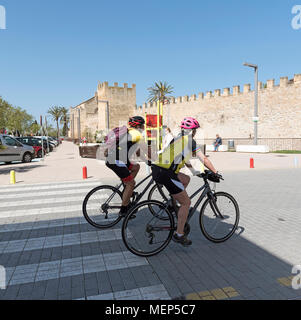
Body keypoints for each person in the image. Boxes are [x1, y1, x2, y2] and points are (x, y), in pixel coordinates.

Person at [151, 117, 219, 246]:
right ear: (192, 131)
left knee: (185, 179)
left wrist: (194, 172)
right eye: (195, 131)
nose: (195, 133)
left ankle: (173, 203)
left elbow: (184, 159)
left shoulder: (177, 139)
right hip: (166, 173)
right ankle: (179, 234)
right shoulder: (190, 141)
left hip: (158, 169)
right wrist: (215, 172)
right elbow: (203, 158)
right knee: (186, 203)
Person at [105, 116, 151, 217]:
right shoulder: (137, 134)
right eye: (142, 125)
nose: (143, 127)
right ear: (138, 126)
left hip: (119, 159)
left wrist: (148, 161)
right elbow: (146, 150)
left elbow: (139, 152)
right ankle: (124, 210)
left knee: (136, 167)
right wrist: (156, 161)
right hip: (116, 160)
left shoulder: (128, 132)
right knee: (131, 183)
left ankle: (126, 189)